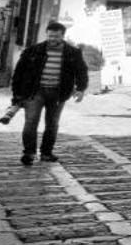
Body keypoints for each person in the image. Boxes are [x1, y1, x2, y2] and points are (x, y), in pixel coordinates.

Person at [8, 21, 88, 167]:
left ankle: (46, 153)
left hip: (58, 93)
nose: (52, 39)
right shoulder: (33, 51)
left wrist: (81, 89)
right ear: (46, 34)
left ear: (63, 36)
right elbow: (18, 74)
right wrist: (16, 96)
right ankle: (29, 153)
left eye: (56, 37)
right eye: (50, 36)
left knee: (52, 124)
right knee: (31, 122)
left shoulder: (72, 53)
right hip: (35, 92)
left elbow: (81, 71)